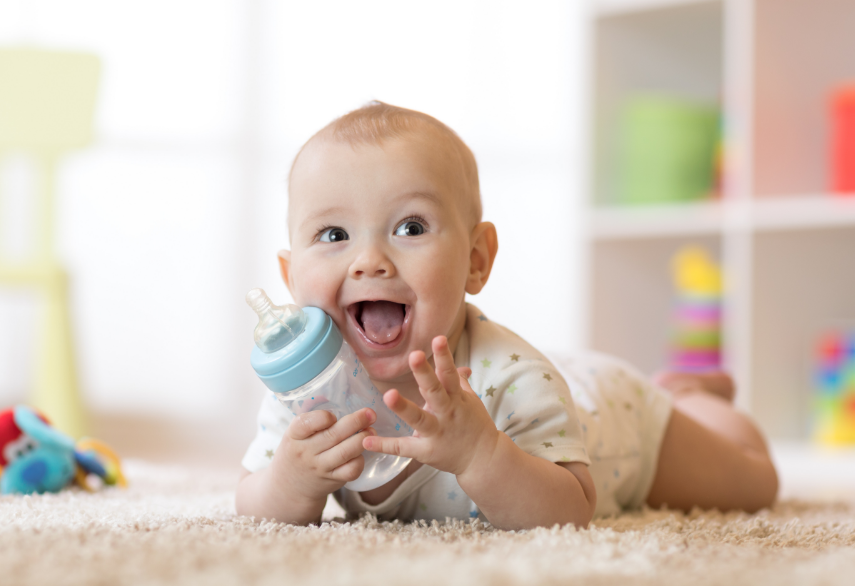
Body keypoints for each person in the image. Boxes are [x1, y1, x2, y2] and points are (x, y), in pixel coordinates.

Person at [235, 102, 778, 530]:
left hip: (613, 417)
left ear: (476, 260)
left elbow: (571, 510)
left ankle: (687, 396)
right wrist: (290, 481)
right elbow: (252, 499)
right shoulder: (310, 391)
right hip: (567, 385)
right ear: (291, 277)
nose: (369, 260)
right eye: (334, 234)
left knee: (754, 483)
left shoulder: (513, 378)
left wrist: (482, 454)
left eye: (410, 227)